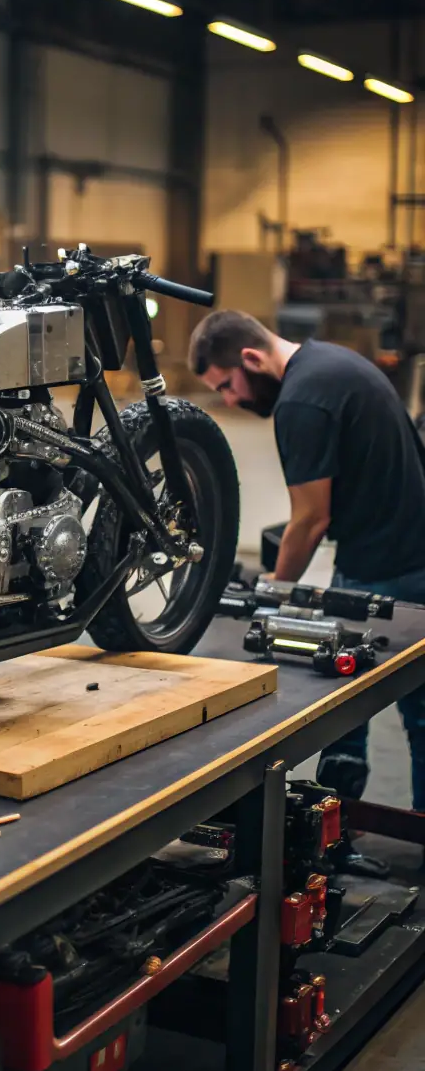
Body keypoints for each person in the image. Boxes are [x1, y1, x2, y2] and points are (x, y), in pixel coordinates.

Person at [188, 309, 425, 810]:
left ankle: (339, 831)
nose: (230, 400)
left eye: (228, 385)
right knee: (385, 715)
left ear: (251, 358)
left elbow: (312, 518)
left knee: (350, 714)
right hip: (396, 552)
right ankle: (342, 827)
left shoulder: (301, 400)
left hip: (386, 571)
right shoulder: (335, 363)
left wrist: (273, 592)